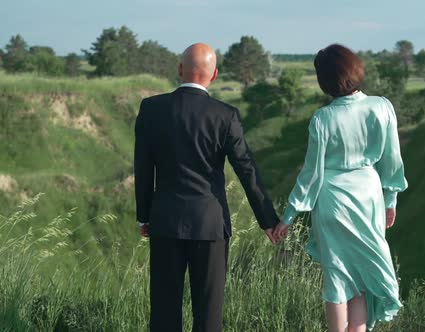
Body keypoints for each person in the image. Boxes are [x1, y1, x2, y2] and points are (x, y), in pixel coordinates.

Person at [134, 43, 281, 332]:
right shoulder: (225, 115)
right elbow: (246, 169)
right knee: (208, 315)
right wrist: (268, 220)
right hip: (210, 226)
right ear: (214, 75)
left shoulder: (151, 108)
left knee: (163, 314)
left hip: (165, 222)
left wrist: (144, 216)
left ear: (179, 70)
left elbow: (142, 168)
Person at [274, 44, 408, 332]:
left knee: (337, 275)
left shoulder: (323, 119)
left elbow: (310, 174)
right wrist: (391, 199)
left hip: (332, 200)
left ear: (325, 81)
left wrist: (288, 216)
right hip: (369, 196)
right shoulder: (381, 107)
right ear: (355, 69)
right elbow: (392, 160)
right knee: (360, 273)